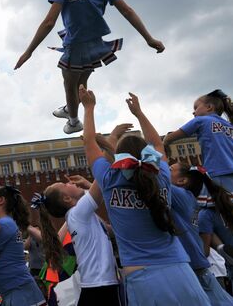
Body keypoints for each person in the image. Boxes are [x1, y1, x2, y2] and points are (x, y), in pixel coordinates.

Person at [14, 0, 164, 134]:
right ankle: (71, 108)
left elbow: (48, 22)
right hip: (95, 45)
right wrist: (149, 38)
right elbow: (126, 10)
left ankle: (73, 120)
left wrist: (28, 52)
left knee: (69, 84)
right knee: (80, 85)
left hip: (75, 45)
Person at [79, 85, 209, 305]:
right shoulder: (162, 175)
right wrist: (139, 113)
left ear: (119, 157)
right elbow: (158, 143)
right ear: (148, 155)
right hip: (180, 269)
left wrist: (89, 107)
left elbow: (89, 141)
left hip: (141, 276)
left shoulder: (109, 179)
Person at [31, 173, 121, 306]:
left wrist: (87, 185)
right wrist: (109, 154)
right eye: (65, 185)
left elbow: (98, 193)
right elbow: (101, 179)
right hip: (100, 285)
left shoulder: (79, 215)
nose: (71, 183)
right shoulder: (78, 213)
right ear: (67, 198)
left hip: (96, 284)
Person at [169, 163, 233, 305]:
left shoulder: (182, 197)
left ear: (182, 181)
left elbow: (156, 181)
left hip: (202, 267)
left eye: (169, 169)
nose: (165, 170)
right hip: (203, 266)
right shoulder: (192, 201)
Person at [164, 89, 233, 205]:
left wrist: (164, 144)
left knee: (210, 214)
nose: (193, 112)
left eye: (195, 108)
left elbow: (171, 138)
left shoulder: (200, 120)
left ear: (209, 107)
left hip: (218, 176)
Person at [0, 186, 45, 305]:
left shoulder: (3, 226)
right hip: (20, 291)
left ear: (1, 200)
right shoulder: (8, 223)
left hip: (19, 294)